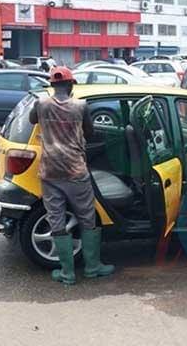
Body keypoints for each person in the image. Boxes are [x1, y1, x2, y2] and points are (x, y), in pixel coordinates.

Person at [28, 66, 114, 285]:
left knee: (56, 217)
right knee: (87, 217)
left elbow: (31, 120)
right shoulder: (81, 106)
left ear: (52, 85)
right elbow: (90, 132)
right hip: (76, 169)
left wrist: (42, 102)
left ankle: (67, 273)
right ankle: (92, 268)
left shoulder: (41, 104)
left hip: (50, 170)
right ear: (71, 84)